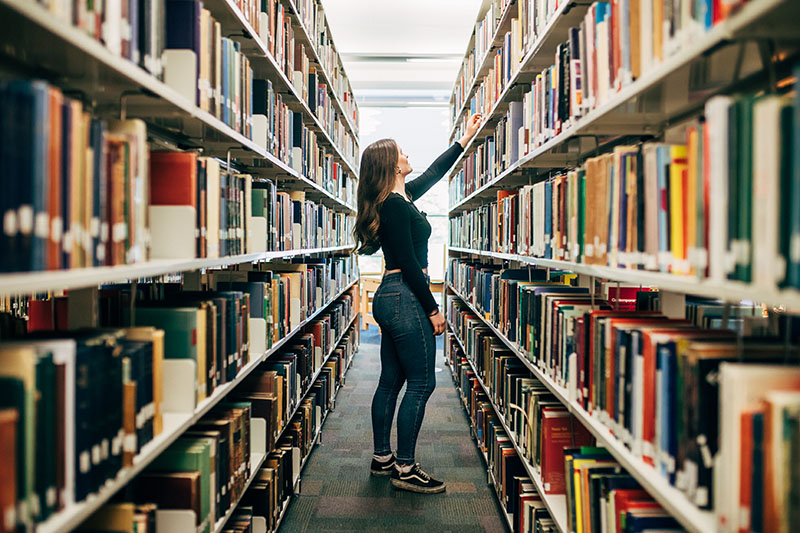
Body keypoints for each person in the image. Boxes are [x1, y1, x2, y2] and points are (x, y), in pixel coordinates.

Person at [354, 113, 482, 493]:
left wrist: (465, 139)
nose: (408, 155)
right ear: (393, 164)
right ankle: (406, 468)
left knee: (391, 380)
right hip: (405, 296)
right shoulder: (392, 204)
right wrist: (433, 308)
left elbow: (435, 172)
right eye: (402, 151)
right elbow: (409, 263)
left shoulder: (400, 198)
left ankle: (383, 459)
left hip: (392, 296)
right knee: (422, 382)